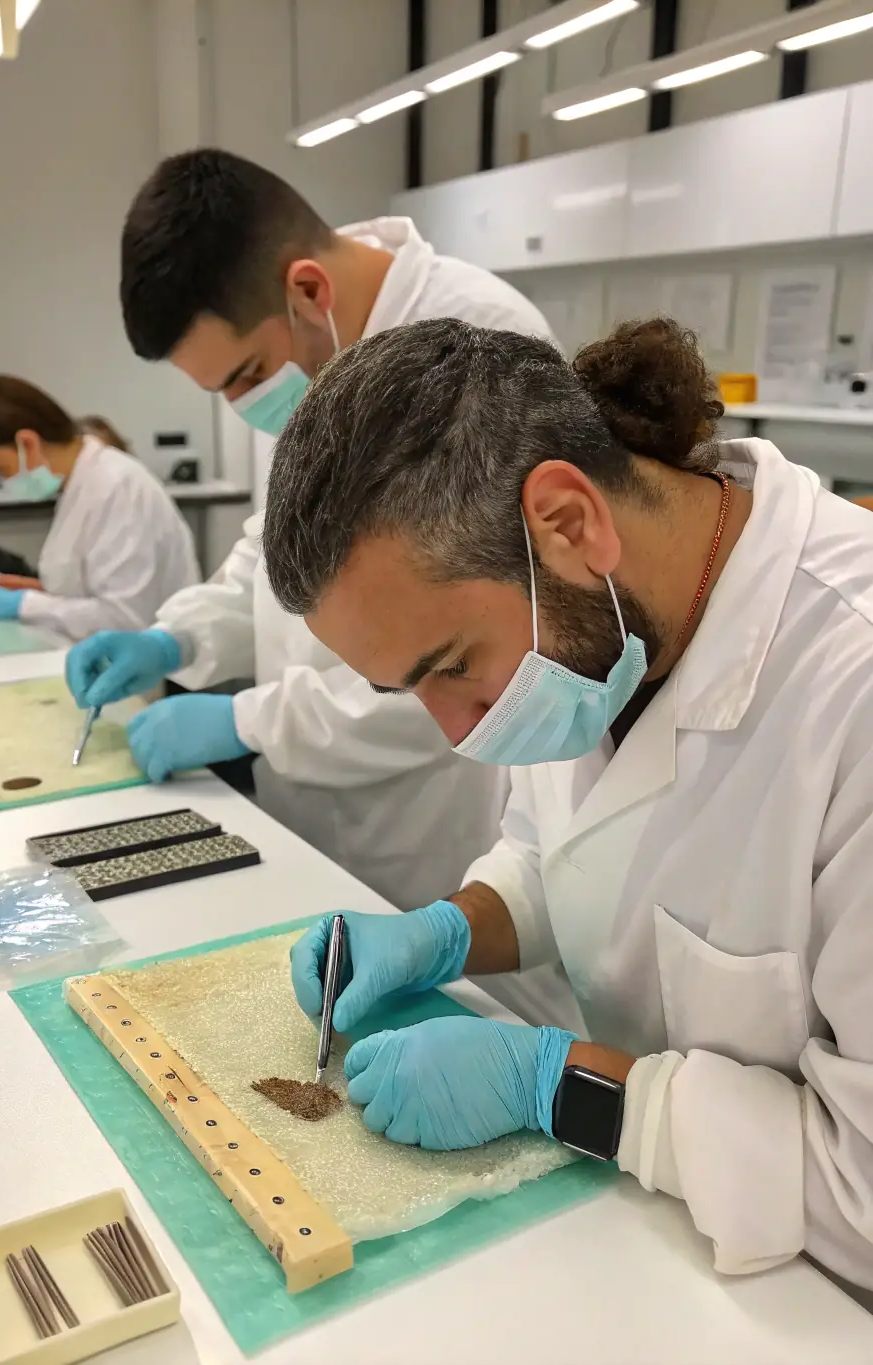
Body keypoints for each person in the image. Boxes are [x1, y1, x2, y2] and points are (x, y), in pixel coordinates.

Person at [261, 316, 873, 1298]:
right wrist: (443, 935)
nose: (456, 731)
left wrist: (559, 1087)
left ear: (568, 520)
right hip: (651, 1243)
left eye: (450, 668)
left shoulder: (851, 688)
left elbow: (861, 1189)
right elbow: (566, 855)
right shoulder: (599, 618)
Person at [65, 148, 557, 911]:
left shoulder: (480, 343)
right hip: (298, 809)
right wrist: (178, 639)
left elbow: (468, 668)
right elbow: (274, 553)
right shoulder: (306, 355)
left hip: (422, 828)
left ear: (308, 289)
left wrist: (245, 719)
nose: (242, 403)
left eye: (243, 375)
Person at [0, 376, 200, 641]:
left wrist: (22, 604)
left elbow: (125, 619)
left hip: (155, 670)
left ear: (28, 443)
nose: (4, 482)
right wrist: (4, 589)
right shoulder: (79, 485)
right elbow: (81, 588)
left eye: (0, 470)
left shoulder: (117, 487)